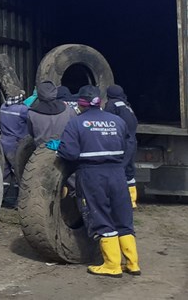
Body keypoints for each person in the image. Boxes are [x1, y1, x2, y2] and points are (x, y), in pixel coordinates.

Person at [53, 85, 139, 278]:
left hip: (93, 175)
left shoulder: (76, 123)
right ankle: (133, 263)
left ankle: (112, 265)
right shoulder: (117, 121)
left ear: (80, 103)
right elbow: (128, 146)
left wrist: (58, 150)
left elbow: (70, 153)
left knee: (101, 217)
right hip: (118, 173)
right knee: (123, 218)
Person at [104, 85, 139, 208]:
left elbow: (106, 122)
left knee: (117, 170)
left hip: (122, 142)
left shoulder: (112, 105)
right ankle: (132, 201)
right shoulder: (126, 105)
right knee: (129, 172)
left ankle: (116, 201)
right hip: (132, 141)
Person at [0, 93, 29, 208]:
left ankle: (1, 199)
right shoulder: (23, 110)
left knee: (5, 173)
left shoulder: (3, 107)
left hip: (4, 142)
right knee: (19, 172)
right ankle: (19, 202)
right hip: (16, 144)